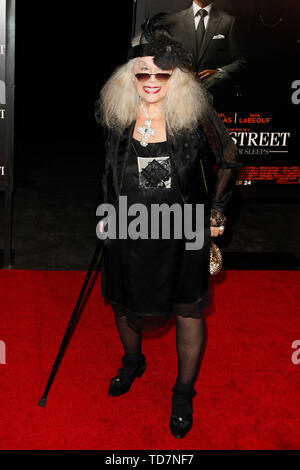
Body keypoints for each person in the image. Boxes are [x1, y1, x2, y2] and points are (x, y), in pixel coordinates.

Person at [94, 14, 242, 439]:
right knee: (123, 301)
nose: (152, 80)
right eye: (144, 73)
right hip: (129, 222)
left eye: (162, 72)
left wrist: (215, 209)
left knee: (188, 308)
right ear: (131, 75)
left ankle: (182, 391)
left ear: (176, 76)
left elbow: (229, 155)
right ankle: (132, 362)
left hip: (184, 223)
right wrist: (105, 212)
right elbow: (107, 170)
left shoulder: (194, 111)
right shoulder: (118, 111)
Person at [164, 0, 247, 107]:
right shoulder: (174, 21)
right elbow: (162, 59)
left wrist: (219, 72)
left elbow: (241, 62)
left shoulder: (229, 21)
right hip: (178, 100)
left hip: (216, 100)